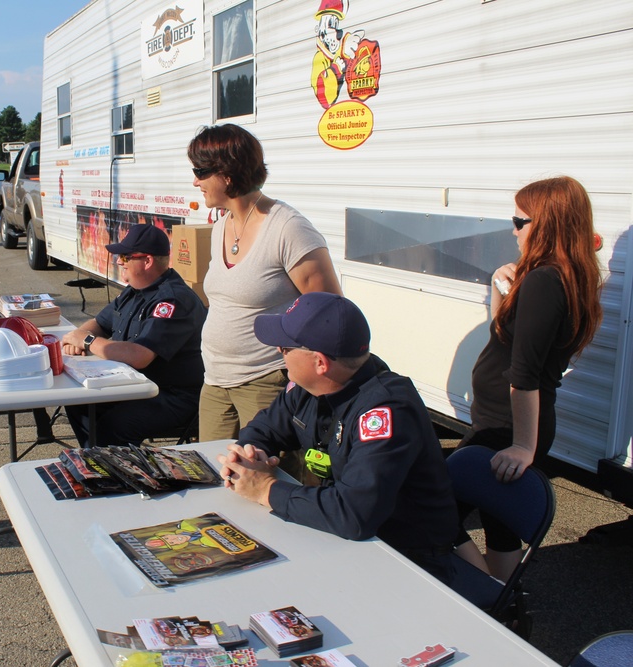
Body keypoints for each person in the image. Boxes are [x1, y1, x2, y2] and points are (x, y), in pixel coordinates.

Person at [217, 292, 459, 584]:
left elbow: (355, 514)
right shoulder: (311, 388)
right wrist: (248, 455)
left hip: (406, 561)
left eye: (284, 348)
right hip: (348, 542)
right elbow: (265, 427)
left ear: (320, 362)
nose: (278, 353)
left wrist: (266, 489)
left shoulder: (385, 411)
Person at [454, 176, 603, 581]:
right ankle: (503, 604)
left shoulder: (545, 281)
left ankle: (487, 595)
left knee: (432, 509)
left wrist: (522, 445)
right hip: (505, 421)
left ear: (548, 224)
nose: (513, 229)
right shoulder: (564, 275)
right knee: (499, 526)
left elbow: (525, 373)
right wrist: (501, 291)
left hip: (506, 428)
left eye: (521, 221)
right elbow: (505, 338)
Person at [187, 124, 343, 445]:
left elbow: (330, 311)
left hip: (266, 383)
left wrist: (303, 379)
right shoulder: (221, 225)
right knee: (212, 478)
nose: (195, 181)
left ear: (227, 174)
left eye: (200, 171)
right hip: (215, 381)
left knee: (264, 483)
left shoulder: (288, 229)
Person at [61, 223, 206, 446]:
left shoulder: (173, 300)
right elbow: (100, 323)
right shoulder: (135, 290)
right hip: (135, 386)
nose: (119, 262)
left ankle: (114, 471)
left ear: (147, 261)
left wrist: (87, 341)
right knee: (79, 402)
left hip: (172, 395)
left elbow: (140, 355)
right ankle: (96, 459)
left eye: (126, 257)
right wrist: (80, 335)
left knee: (115, 426)